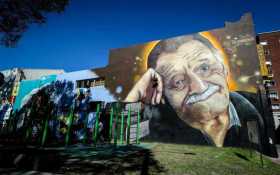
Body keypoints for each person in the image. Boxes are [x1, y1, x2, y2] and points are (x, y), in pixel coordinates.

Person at [125, 34, 263, 147]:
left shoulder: (261, 106)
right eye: (178, 82)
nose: (199, 87)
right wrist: (134, 97)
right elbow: (120, 141)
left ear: (224, 70)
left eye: (204, 68)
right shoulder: (154, 128)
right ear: (163, 95)